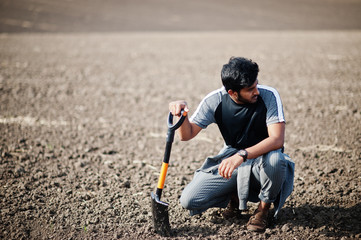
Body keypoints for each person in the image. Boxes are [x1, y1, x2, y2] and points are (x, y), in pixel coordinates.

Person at [169, 57, 295, 232]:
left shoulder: (269, 95)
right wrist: (180, 115)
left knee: (277, 160)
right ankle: (233, 197)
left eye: (256, 85)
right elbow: (186, 135)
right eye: (250, 89)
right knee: (189, 200)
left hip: (264, 159)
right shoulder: (215, 100)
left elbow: (276, 140)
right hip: (233, 158)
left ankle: (262, 211)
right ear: (232, 93)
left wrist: (241, 155)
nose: (256, 91)